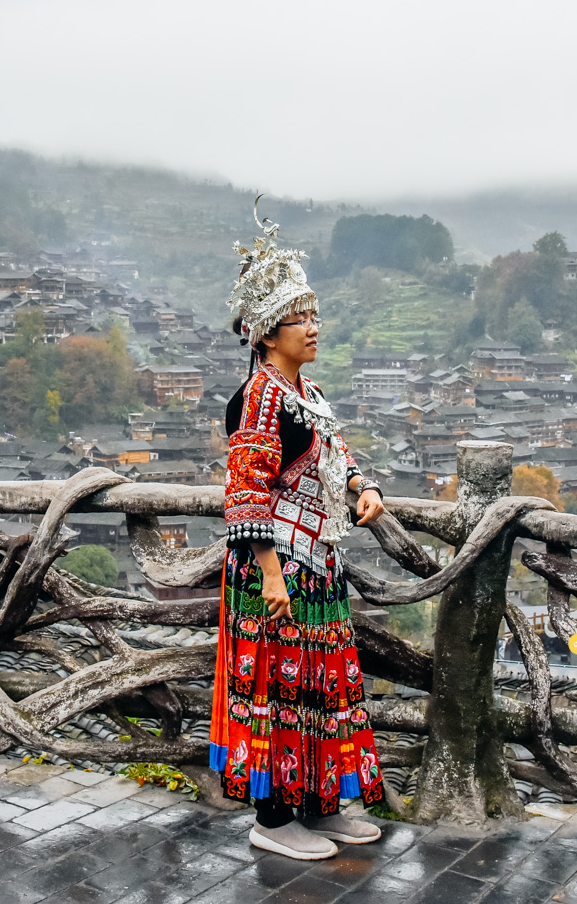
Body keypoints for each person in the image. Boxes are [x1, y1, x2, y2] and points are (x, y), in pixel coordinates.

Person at [210, 211, 387, 860]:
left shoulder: (304, 393)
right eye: (301, 319)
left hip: (315, 563)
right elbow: (247, 493)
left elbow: (333, 453)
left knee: (318, 687)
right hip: (275, 571)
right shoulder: (257, 400)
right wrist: (273, 571)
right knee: (277, 694)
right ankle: (274, 816)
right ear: (266, 334)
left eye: (314, 316)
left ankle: (320, 802)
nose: (314, 329)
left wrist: (361, 487)